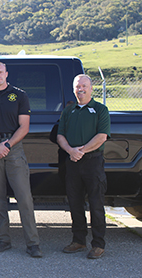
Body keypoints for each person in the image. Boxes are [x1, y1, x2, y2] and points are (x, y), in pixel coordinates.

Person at [0, 61, 42, 258]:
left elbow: (24, 127)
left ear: (6, 74)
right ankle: (3, 240)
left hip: (14, 149)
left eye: (0, 72)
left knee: (24, 197)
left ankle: (33, 243)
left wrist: (7, 146)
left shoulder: (19, 96)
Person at [57, 74, 110, 259]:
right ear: (74, 89)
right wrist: (71, 151)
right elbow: (60, 135)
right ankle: (78, 240)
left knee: (96, 204)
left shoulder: (100, 110)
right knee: (75, 203)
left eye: (84, 86)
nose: (81, 89)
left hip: (93, 162)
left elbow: (102, 136)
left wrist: (82, 151)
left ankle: (98, 244)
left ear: (91, 88)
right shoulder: (68, 111)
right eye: (77, 86)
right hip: (72, 163)